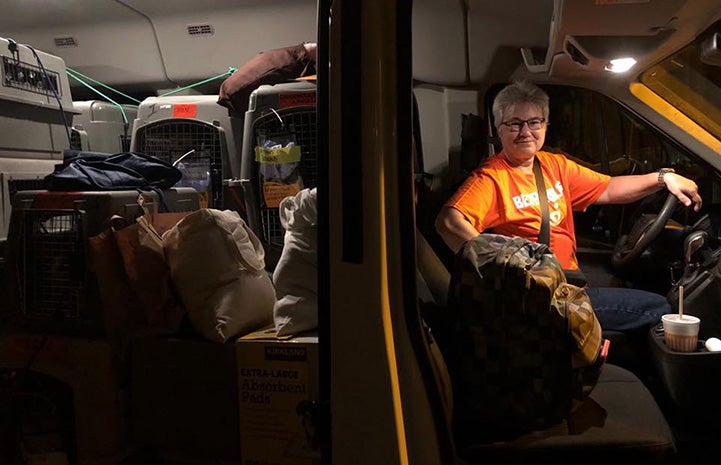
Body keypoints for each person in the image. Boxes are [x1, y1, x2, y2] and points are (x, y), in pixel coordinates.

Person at [435, 80, 702, 332]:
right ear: (498, 128)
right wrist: (505, 270)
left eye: (534, 122)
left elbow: (608, 188)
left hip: (568, 285)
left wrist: (663, 178)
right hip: (541, 301)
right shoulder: (492, 177)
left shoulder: (552, 165)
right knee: (660, 309)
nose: (526, 131)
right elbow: (448, 223)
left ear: (546, 124)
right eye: (514, 124)